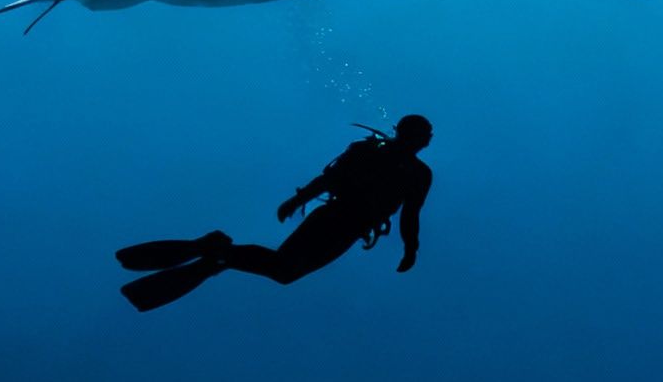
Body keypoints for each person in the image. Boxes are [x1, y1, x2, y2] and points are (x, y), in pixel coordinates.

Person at [116, 115, 434, 312]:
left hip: (348, 228)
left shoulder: (417, 173)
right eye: (422, 134)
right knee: (283, 270)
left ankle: (218, 256)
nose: (426, 140)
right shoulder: (376, 154)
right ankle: (215, 252)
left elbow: (410, 214)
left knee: (284, 271)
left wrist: (411, 247)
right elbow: (332, 179)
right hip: (335, 220)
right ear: (411, 134)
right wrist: (298, 200)